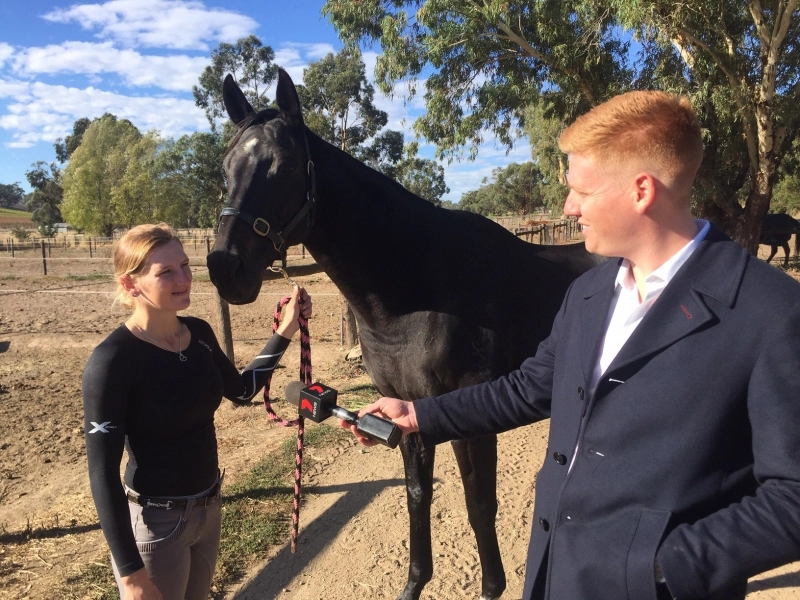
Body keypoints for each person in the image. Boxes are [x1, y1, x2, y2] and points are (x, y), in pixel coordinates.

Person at [342, 92, 800, 600]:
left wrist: (663, 566)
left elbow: (793, 498)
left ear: (641, 190)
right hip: (554, 575)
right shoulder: (587, 292)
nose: (569, 207)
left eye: (582, 190)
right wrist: (419, 414)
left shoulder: (771, 312)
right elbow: (528, 388)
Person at [83, 223, 312, 600]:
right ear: (129, 284)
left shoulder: (199, 333)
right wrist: (131, 576)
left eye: (185, 266)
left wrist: (285, 330)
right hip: (156, 525)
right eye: (166, 272)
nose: (183, 279)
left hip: (209, 511)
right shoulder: (111, 362)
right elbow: (101, 474)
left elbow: (241, 391)